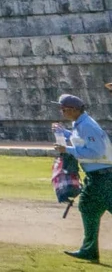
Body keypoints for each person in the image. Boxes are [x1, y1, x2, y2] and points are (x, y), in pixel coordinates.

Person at [57, 93, 112, 262]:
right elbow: (82, 141)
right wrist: (64, 133)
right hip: (98, 176)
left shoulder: (86, 125)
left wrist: (67, 150)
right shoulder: (80, 124)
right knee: (88, 208)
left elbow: (96, 151)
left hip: (103, 176)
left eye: (63, 109)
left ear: (73, 110)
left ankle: (89, 249)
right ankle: (88, 249)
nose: (62, 112)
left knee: (88, 208)